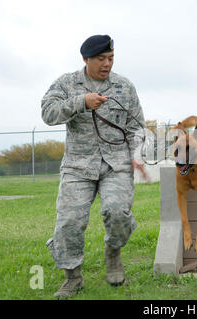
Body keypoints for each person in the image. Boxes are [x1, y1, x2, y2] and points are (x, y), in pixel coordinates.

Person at [41, 34, 146, 299]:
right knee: (69, 222)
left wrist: (137, 154)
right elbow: (47, 113)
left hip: (116, 164)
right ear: (86, 59)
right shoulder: (67, 83)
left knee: (117, 212)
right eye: (101, 59)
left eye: (110, 58)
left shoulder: (124, 86)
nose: (107, 64)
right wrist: (80, 102)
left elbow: (137, 126)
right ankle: (72, 277)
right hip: (78, 166)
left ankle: (113, 254)